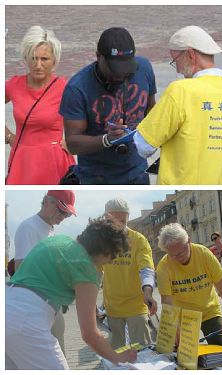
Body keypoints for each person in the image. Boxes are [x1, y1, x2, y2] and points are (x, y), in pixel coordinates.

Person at [6, 217, 137, 369]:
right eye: (113, 255)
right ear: (105, 249)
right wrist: (118, 357)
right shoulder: (86, 268)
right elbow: (90, 334)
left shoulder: (57, 241)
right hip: (27, 321)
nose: (112, 262)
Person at [135, 25, 222, 185]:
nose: (177, 69)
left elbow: (144, 145)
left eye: (175, 60)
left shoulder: (180, 90)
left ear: (190, 55)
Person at [60, 27, 156, 185]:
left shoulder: (144, 68)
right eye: (115, 69)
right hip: (97, 177)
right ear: (99, 57)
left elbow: (151, 109)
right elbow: (73, 143)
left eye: (126, 70)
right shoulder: (77, 88)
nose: (120, 75)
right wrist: (106, 139)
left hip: (137, 171)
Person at [5, 26, 74, 185]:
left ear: (54, 60)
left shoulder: (65, 87)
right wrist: (8, 136)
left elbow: (91, 113)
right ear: (26, 58)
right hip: (22, 160)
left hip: (54, 160)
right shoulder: (13, 85)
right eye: (33, 58)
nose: (38, 65)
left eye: (44, 59)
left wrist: (73, 141)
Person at [13, 190, 76, 355]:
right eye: (61, 210)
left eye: (67, 214)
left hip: (51, 303)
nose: (63, 216)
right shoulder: (29, 227)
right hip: (36, 306)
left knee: (59, 351)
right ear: (47, 202)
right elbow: (21, 273)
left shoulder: (49, 229)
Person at [156, 223, 222, 346]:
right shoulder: (163, 266)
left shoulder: (204, 254)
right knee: (185, 358)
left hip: (209, 311)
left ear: (189, 242)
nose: (177, 258)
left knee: (220, 350)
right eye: (172, 254)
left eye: (180, 253)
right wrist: (174, 325)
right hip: (183, 316)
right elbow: (166, 301)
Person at [101, 198, 157, 349]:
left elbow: (146, 268)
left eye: (123, 221)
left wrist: (148, 291)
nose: (119, 225)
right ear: (106, 218)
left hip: (136, 305)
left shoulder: (138, 240)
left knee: (142, 351)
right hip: (112, 306)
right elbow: (94, 273)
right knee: (116, 353)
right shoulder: (101, 241)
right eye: (114, 221)